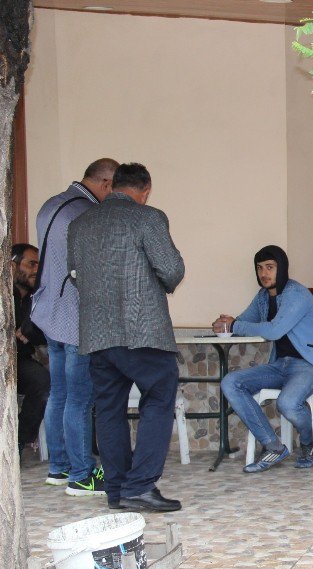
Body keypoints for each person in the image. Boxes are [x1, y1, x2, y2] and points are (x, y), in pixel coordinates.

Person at [67, 163, 185, 511]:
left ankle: (117, 489)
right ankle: (141, 485)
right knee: (160, 398)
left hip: (97, 333)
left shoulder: (81, 223)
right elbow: (171, 270)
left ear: (113, 186)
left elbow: (75, 276)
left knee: (108, 409)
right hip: (142, 330)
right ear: (145, 190)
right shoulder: (148, 217)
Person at [32, 157, 118, 491]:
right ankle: (81, 476)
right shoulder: (87, 213)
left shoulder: (50, 205)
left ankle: (59, 468)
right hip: (76, 317)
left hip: (49, 312)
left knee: (59, 394)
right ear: (107, 184)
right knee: (80, 398)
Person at [217, 245, 313, 472]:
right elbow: (241, 323)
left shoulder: (296, 294)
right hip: (281, 365)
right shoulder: (262, 298)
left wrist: (235, 324)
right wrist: (225, 324)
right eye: (260, 268)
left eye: (270, 267)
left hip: (311, 365)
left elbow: (273, 331)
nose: (264, 274)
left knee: (287, 404)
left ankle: (309, 443)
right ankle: (273, 446)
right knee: (230, 382)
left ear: (282, 269)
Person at [12, 244, 49, 456]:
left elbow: (43, 335)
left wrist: (27, 332)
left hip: (21, 362)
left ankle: (18, 440)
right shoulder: (5, 295)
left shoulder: (38, 298)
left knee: (42, 381)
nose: (36, 270)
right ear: (13, 266)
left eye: (39, 265)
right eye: (31, 264)